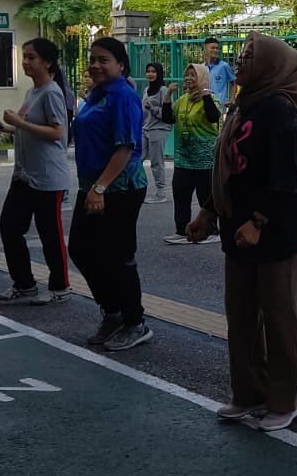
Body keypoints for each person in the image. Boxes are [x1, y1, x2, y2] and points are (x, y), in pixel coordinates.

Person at [188, 33, 297, 432]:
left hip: (276, 230)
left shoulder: (280, 108)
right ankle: (248, 393)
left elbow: (288, 175)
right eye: (241, 54)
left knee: (280, 317)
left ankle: (285, 399)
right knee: (241, 317)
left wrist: (258, 221)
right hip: (238, 228)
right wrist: (209, 211)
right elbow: (229, 167)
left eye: (249, 55)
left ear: (270, 65)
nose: (240, 61)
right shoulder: (244, 104)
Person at [71, 37, 151, 352]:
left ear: (120, 64)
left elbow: (125, 147)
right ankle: (112, 311)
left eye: (103, 60)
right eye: (92, 59)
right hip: (93, 187)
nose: (96, 65)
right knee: (82, 250)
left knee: (118, 256)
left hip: (120, 188)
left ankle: (135, 322)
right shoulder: (97, 94)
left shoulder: (122, 96)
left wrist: (100, 188)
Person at [0, 38, 76, 305]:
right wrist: (7, 128)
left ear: (47, 62)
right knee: (9, 227)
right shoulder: (32, 92)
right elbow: (30, 127)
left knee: (50, 234)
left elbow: (58, 132)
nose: (25, 62)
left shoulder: (51, 92)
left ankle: (60, 286)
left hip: (48, 177)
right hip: (24, 175)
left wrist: (19, 122)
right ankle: (24, 284)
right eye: (24, 56)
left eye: (31, 57)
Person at [166, 63, 223, 246]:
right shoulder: (182, 100)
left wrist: (205, 95)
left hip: (204, 157)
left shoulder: (211, 99)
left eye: (193, 75)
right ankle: (182, 230)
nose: (189, 78)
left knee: (205, 195)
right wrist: (168, 96)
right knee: (180, 193)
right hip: (183, 157)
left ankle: (212, 231)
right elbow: (168, 118)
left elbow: (213, 117)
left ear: (202, 78)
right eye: (187, 75)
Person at [141, 62, 172, 204]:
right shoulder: (146, 90)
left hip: (159, 129)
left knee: (156, 162)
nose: (150, 74)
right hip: (145, 128)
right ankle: (137, 187)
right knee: (136, 159)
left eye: (153, 71)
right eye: (148, 71)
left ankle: (160, 193)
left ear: (159, 73)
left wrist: (152, 108)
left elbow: (167, 113)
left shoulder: (163, 90)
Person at [203, 37, 237, 104]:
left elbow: (234, 82)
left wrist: (232, 100)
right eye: (213, 48)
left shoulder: (224, 66)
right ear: (205, 49)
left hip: (219, 105)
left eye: (217, 48)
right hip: (204, 104)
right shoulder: (202, 67)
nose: (215, 50)